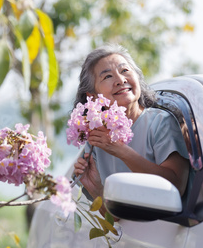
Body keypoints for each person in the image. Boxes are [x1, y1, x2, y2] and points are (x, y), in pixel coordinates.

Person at [73, 44, 189, 210]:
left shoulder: (160, 123)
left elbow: (175, 186)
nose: (120, 80)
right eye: (107, 77)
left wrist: (120, 150)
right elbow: (115, 219)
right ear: (92, 96)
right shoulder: (96, 139)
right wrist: (96, 189)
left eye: (125, 70)